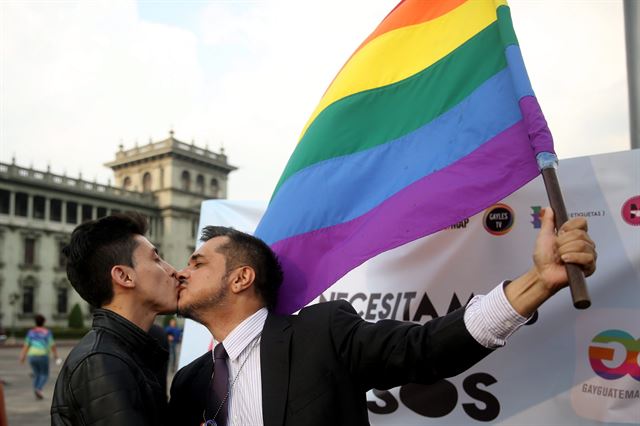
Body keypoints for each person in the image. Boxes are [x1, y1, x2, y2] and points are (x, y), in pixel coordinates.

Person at [169, 207, 596, 425]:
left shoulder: (321, 333)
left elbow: (426, 349)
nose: (182, 272)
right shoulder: (189, 383)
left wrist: (539, 282)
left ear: (242, 278)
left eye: (197, 262)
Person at [51, 213, 179, 425]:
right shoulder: (102, 361)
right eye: (156, 259)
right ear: (124, 276)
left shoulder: (128, 350)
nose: (173, 271)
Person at [18, 314, 60, 399]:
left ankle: (36, 390)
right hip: (43, 355)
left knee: (37, 374)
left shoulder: (31, 332)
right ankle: (38, 389)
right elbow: (52, 345)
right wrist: (56, 356)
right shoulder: (47, 332)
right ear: (44, 322)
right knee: (44, 374)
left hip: (32, 355)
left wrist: (22, 356)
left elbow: (26, 345)